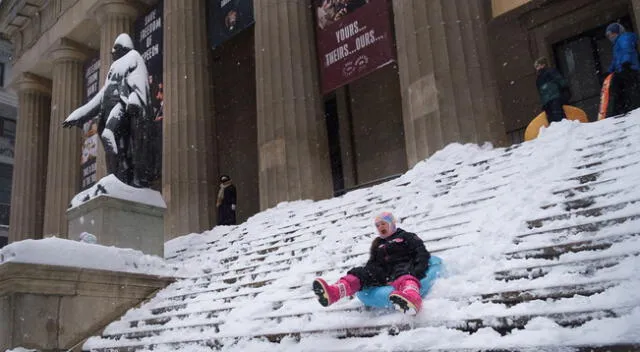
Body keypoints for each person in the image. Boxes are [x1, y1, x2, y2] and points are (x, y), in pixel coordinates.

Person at [63, 33, 158, 188]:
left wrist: (134, 102)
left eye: (116, 48)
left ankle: (117, 176)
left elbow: (139, 83)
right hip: (110, 111)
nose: (112, 51)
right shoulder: (114, 67)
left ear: (123, 48)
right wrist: (79, 115)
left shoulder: (133, 57)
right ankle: (117, 175)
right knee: (115, 145)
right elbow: (102, 95)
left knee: (109, 135)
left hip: (123, 106)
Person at [312, 212, 431, 314]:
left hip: (403, 265)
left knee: (403, 272)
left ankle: (412, 298)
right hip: (383, 272)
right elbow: (372, 263)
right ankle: (334, 292)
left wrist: (417, 271)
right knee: (361, 272)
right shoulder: (378, 243)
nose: (380, 227)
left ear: (392, 224)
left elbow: (421, 252)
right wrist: (365, 275)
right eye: (377, 225)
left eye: (383, 224)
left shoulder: (406, 236)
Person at [604, 23, 640, 116]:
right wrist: (609, 71)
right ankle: (622, 109)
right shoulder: (616, 44)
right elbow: (615, 60)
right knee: (620, 89)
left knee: (631, 89)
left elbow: (627, 50)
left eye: (611, 34)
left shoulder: (624, 38)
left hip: (630, 69)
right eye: (608, 36)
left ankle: (634, 108)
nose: (610, 37)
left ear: (617, 32)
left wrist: (626, 63)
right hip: (622, 70)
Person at [534, 57, 569, 123]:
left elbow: (560, 81)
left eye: (538, 65)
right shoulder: (539, 78)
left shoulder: (549, 72)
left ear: (543, 64)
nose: (537, 68)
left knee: (556, 118)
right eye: (536, 67)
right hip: (549, 101)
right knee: (554, 119)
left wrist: (564, 90)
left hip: (553, 99)